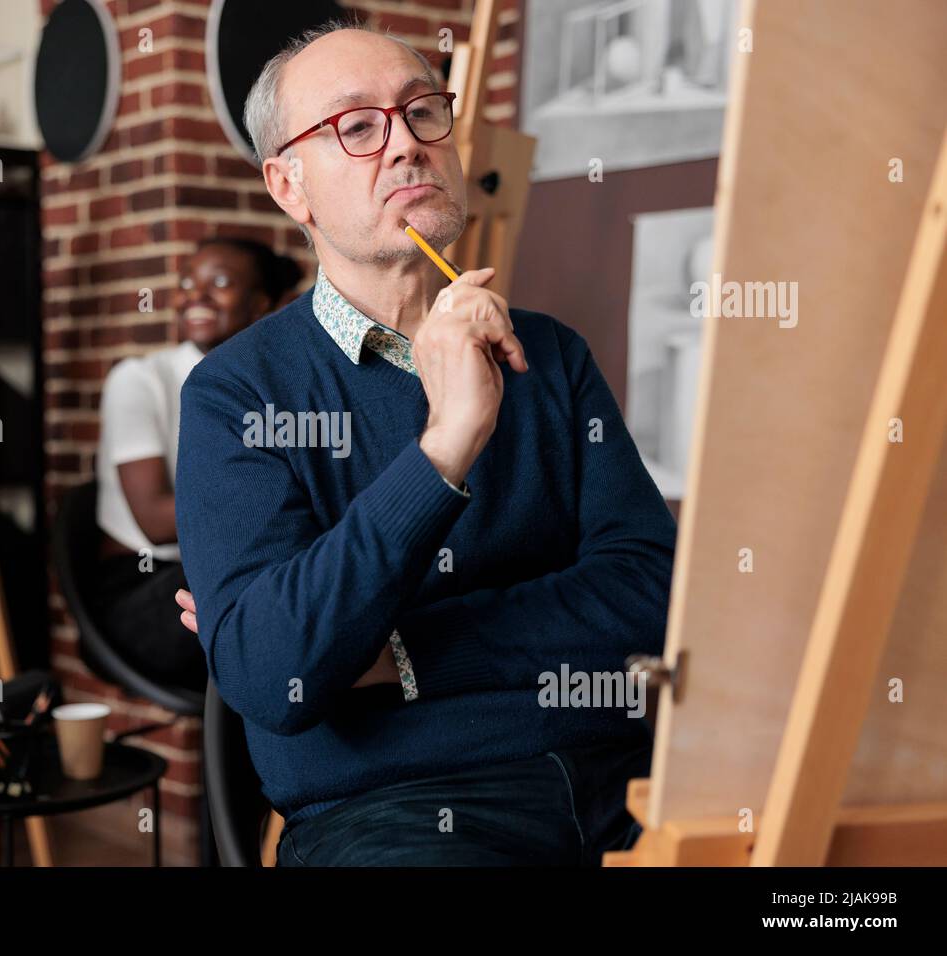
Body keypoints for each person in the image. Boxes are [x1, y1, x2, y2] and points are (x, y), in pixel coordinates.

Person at [173, 22, 677, 866]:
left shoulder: (549, 355)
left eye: (423, 112)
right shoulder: (235, 394)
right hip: (397, 811)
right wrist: (446, 444)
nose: (405, 144)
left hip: (626, 778)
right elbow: (275, 672)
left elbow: (651, 597)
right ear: (288, 185)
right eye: (357, 127)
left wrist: (405, 654)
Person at [93, 239, 302, 692]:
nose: (195, 296)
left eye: (220, 283)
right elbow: (155, 521)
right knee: (284, 614)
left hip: (231, 568)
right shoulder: (139, 380)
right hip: (143, 589)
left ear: (261, 305)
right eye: (187, 283)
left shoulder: (269, 387)